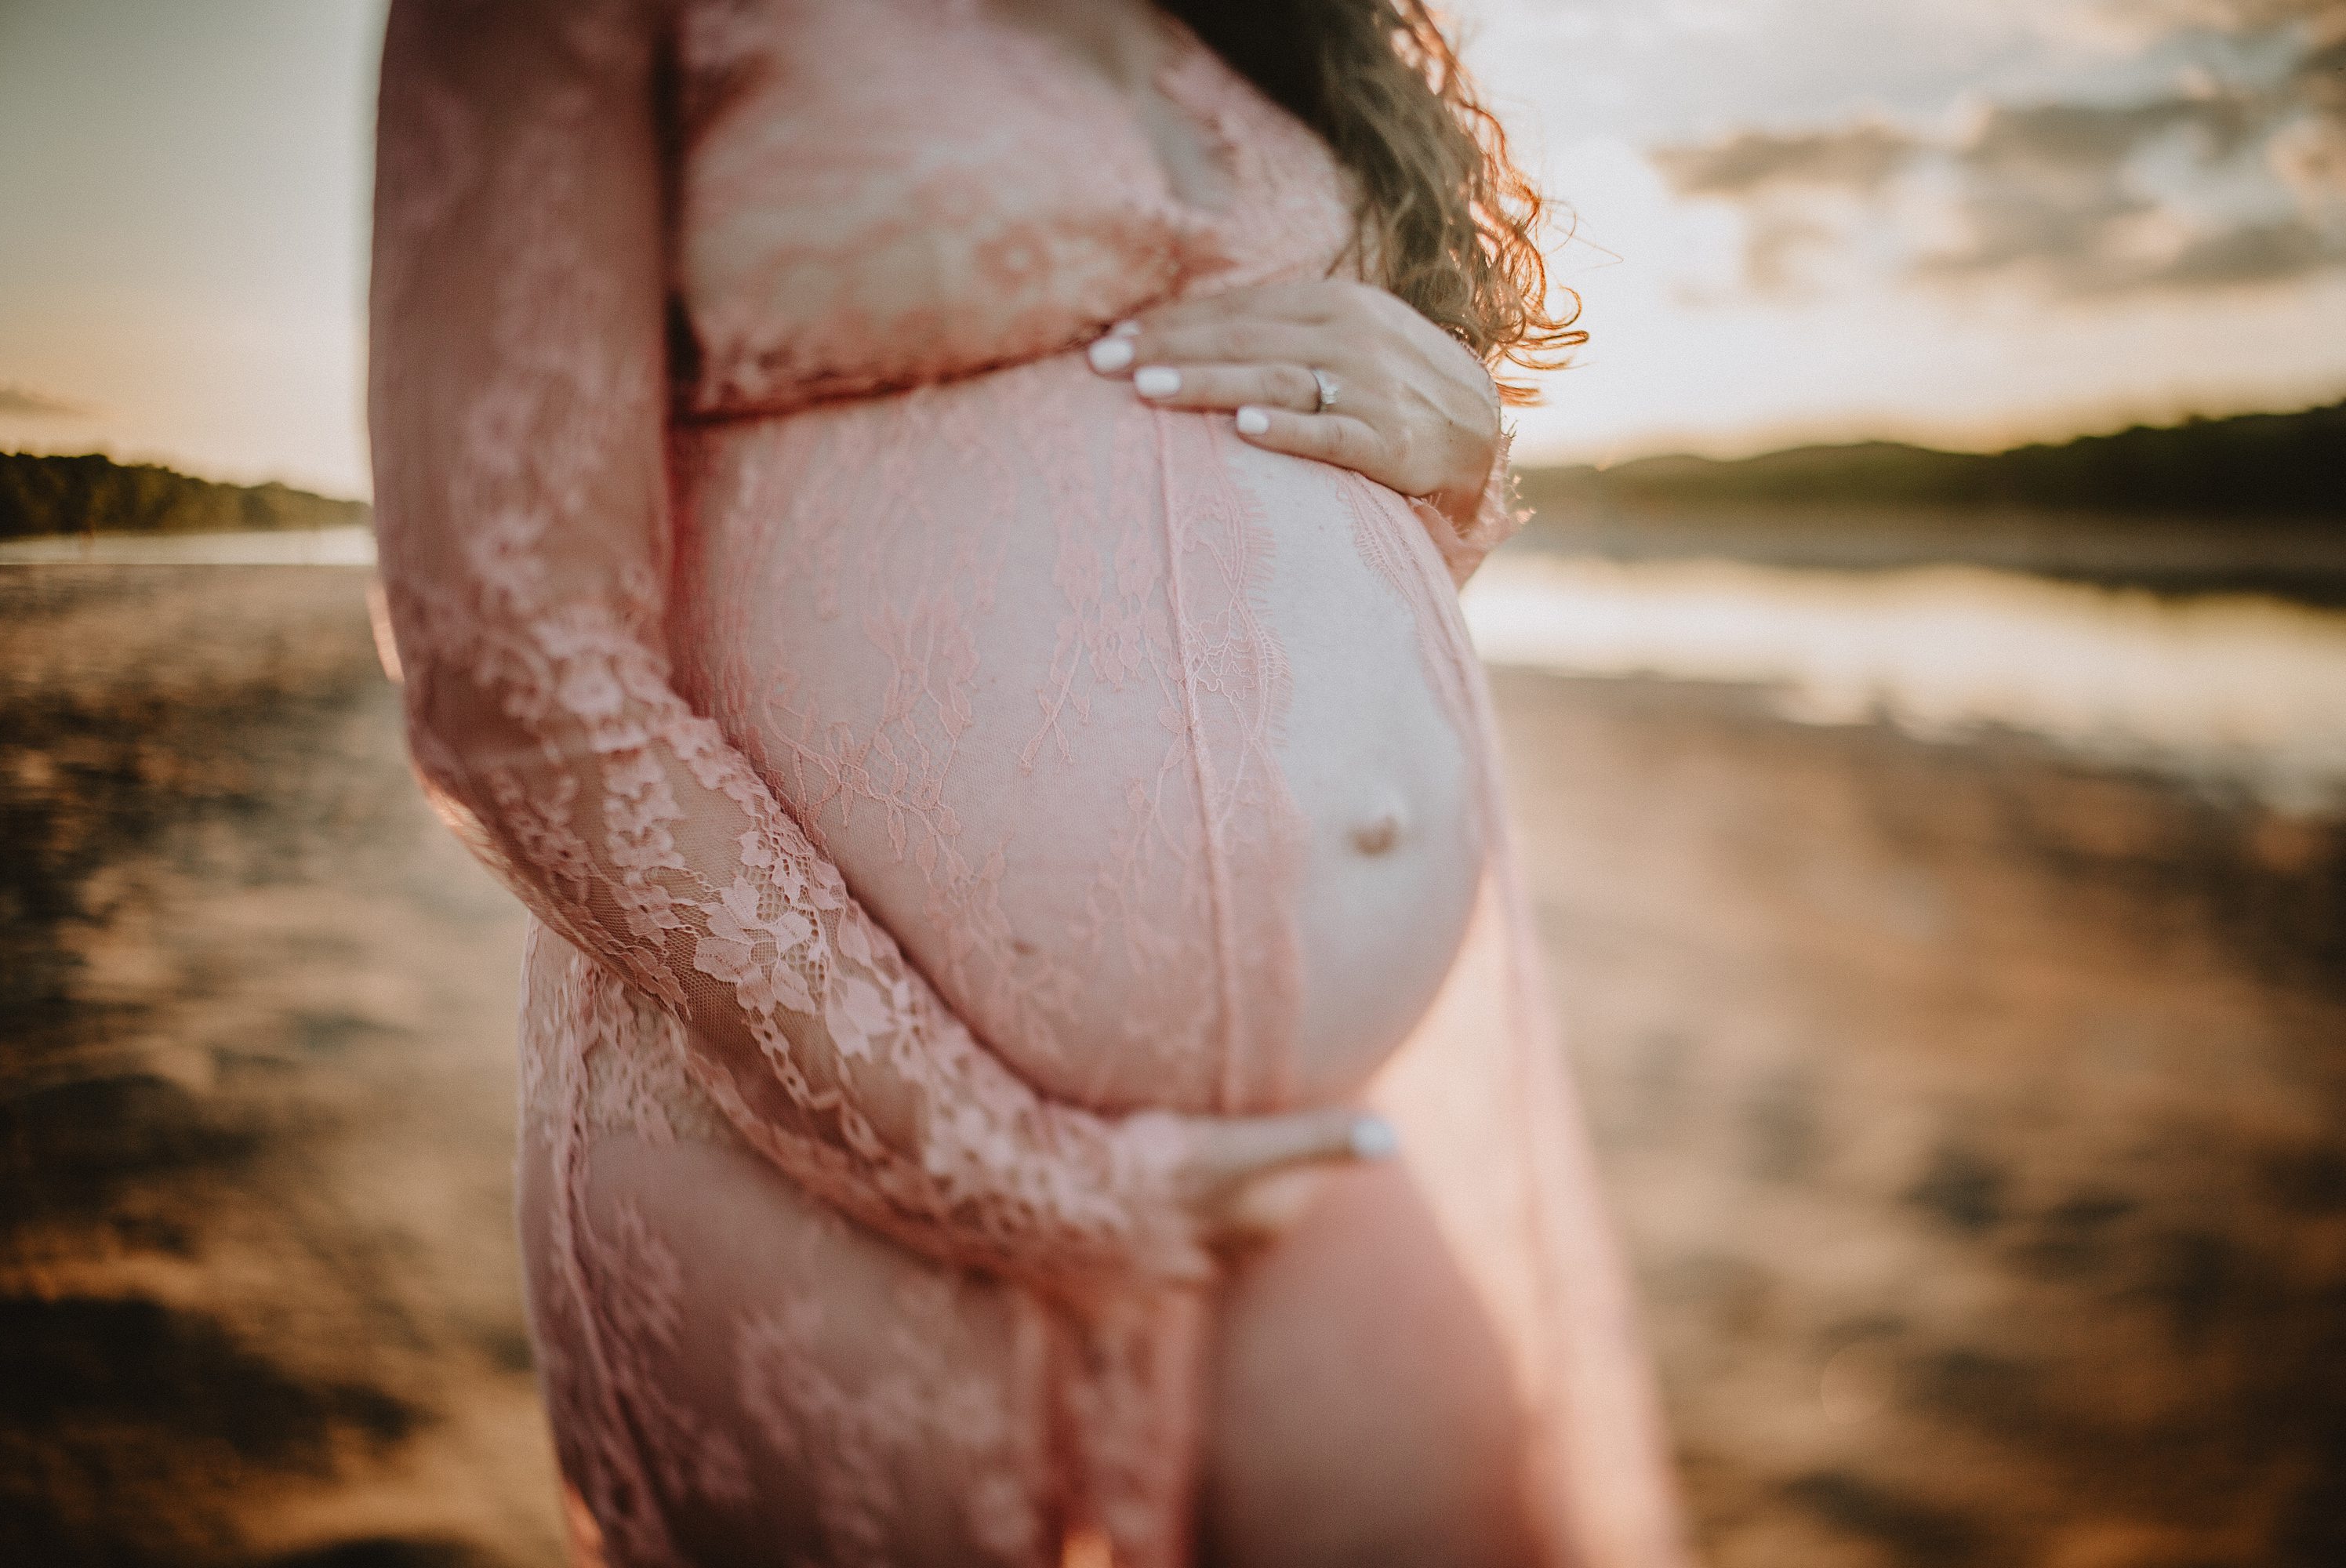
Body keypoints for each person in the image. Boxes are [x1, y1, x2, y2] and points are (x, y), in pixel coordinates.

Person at [369, 1, 1686, 1563]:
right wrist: (1002, 1167)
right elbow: (510, 664)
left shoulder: (1265, 28)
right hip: (808, 1149)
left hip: (1317, 1146)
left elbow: (1240, 550)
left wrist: (1452, 453)